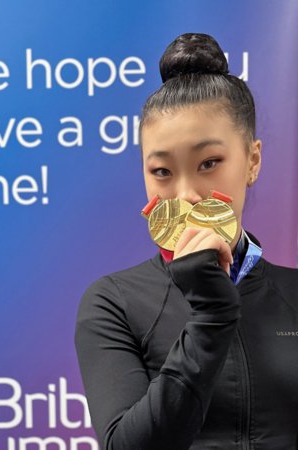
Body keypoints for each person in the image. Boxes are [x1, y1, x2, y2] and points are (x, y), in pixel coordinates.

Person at [74, 33, 298, 450]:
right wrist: (210, 314)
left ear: (252, 160)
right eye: (161, 171)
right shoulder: (113, 302)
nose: (186, 195)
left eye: (209, 163)